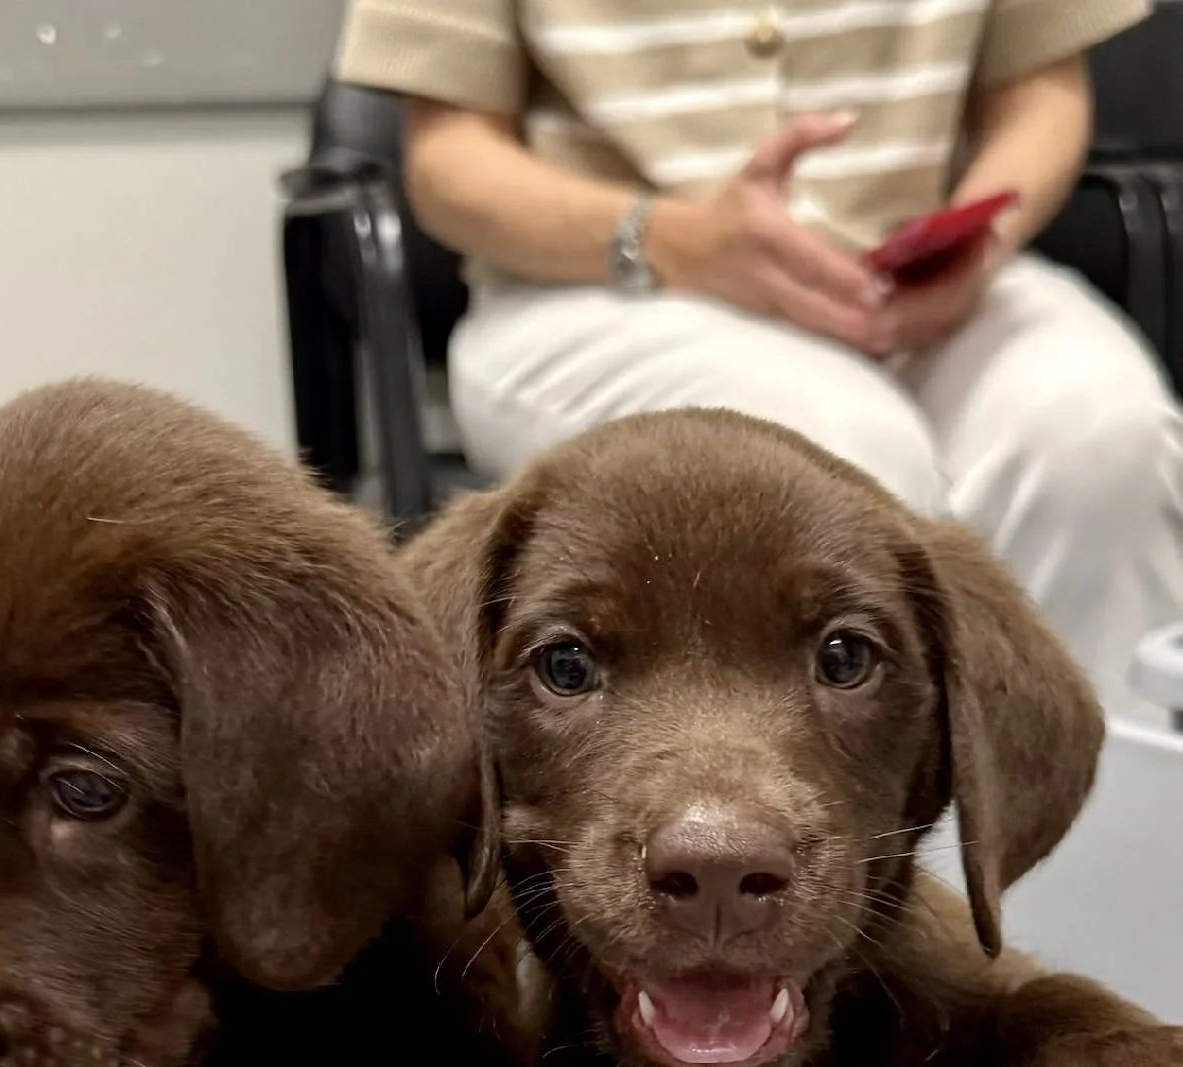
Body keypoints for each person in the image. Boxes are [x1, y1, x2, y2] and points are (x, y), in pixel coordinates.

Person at [335, 0, 1183, 716]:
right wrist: (677, 239)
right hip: (607, 280)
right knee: (827, 461)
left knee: (1103, 434)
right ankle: (860, 858)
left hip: (915, 278)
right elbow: (447, 162)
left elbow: (1040, 94)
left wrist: (980, 238)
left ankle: (1103, 841)